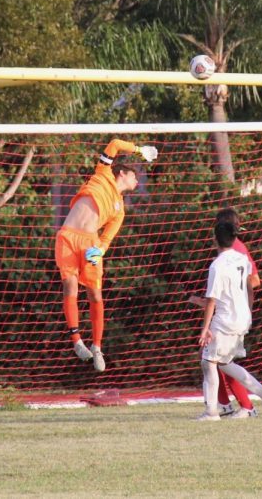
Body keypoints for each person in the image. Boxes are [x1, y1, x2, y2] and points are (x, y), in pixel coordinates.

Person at [55, 138, 158, 372]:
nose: (137, 179)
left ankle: (98, 346)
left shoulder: (119, 210)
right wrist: (139, 150)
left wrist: (99, 250)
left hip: (89, 243)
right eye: (135, 176)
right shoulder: (103, 173)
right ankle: (77, 341)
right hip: (67, 236)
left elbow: (107, 238)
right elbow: (114, 144)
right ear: (122, 173)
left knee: (94, 293)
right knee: (69, 286)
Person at [196, 221, 262, 421]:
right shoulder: (242, 259)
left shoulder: (217, 265)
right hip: (242, 318)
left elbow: (211, 300)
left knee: (208, 362)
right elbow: (250, 286)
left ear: (215, 238)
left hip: (225, 320)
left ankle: (212, 412)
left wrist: (205, 328)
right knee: (224, 363)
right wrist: (248, 312)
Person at [188, 208, 260, 418]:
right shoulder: (231, 250)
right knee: (217, 361)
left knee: (218, 361)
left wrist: (236, 307)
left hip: (230, 317)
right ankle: (226, 404)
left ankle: (248, 405)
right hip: (231, 315)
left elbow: (252, 280)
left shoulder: (236, 251)